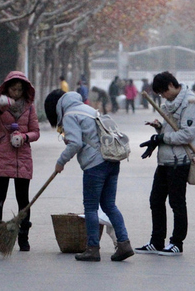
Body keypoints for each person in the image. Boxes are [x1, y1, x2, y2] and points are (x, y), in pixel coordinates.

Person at [44, 90, 134, 263]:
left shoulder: (70, 114)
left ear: (56, 107)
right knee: (109, 205)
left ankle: (92, 249)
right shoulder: (87, 109)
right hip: (112, 160)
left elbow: (76, 143)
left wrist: (60, 161)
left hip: (95, 165)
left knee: (91, 207)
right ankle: (124, 243)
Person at [136, 71, 195, 256]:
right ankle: (156, 241)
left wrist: (162, 136)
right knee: (155, 200)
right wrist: (158, 127)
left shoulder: (190, 102)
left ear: (172, 85)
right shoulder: (168, 104)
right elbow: (169, 126)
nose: (162, 96)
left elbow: (188, 134)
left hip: (179, 161)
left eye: (163, 92)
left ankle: (177, 243)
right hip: (164, 160)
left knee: (177, 203)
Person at [0, 71, 40, 251]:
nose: (16, 93)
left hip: (22, 156)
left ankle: (23, 237)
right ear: (6, 89)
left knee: (23, 199)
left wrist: (24, 137)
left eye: (20, 90)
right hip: (2, 155)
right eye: (13, 89)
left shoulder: (29, 107)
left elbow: (35, 131)